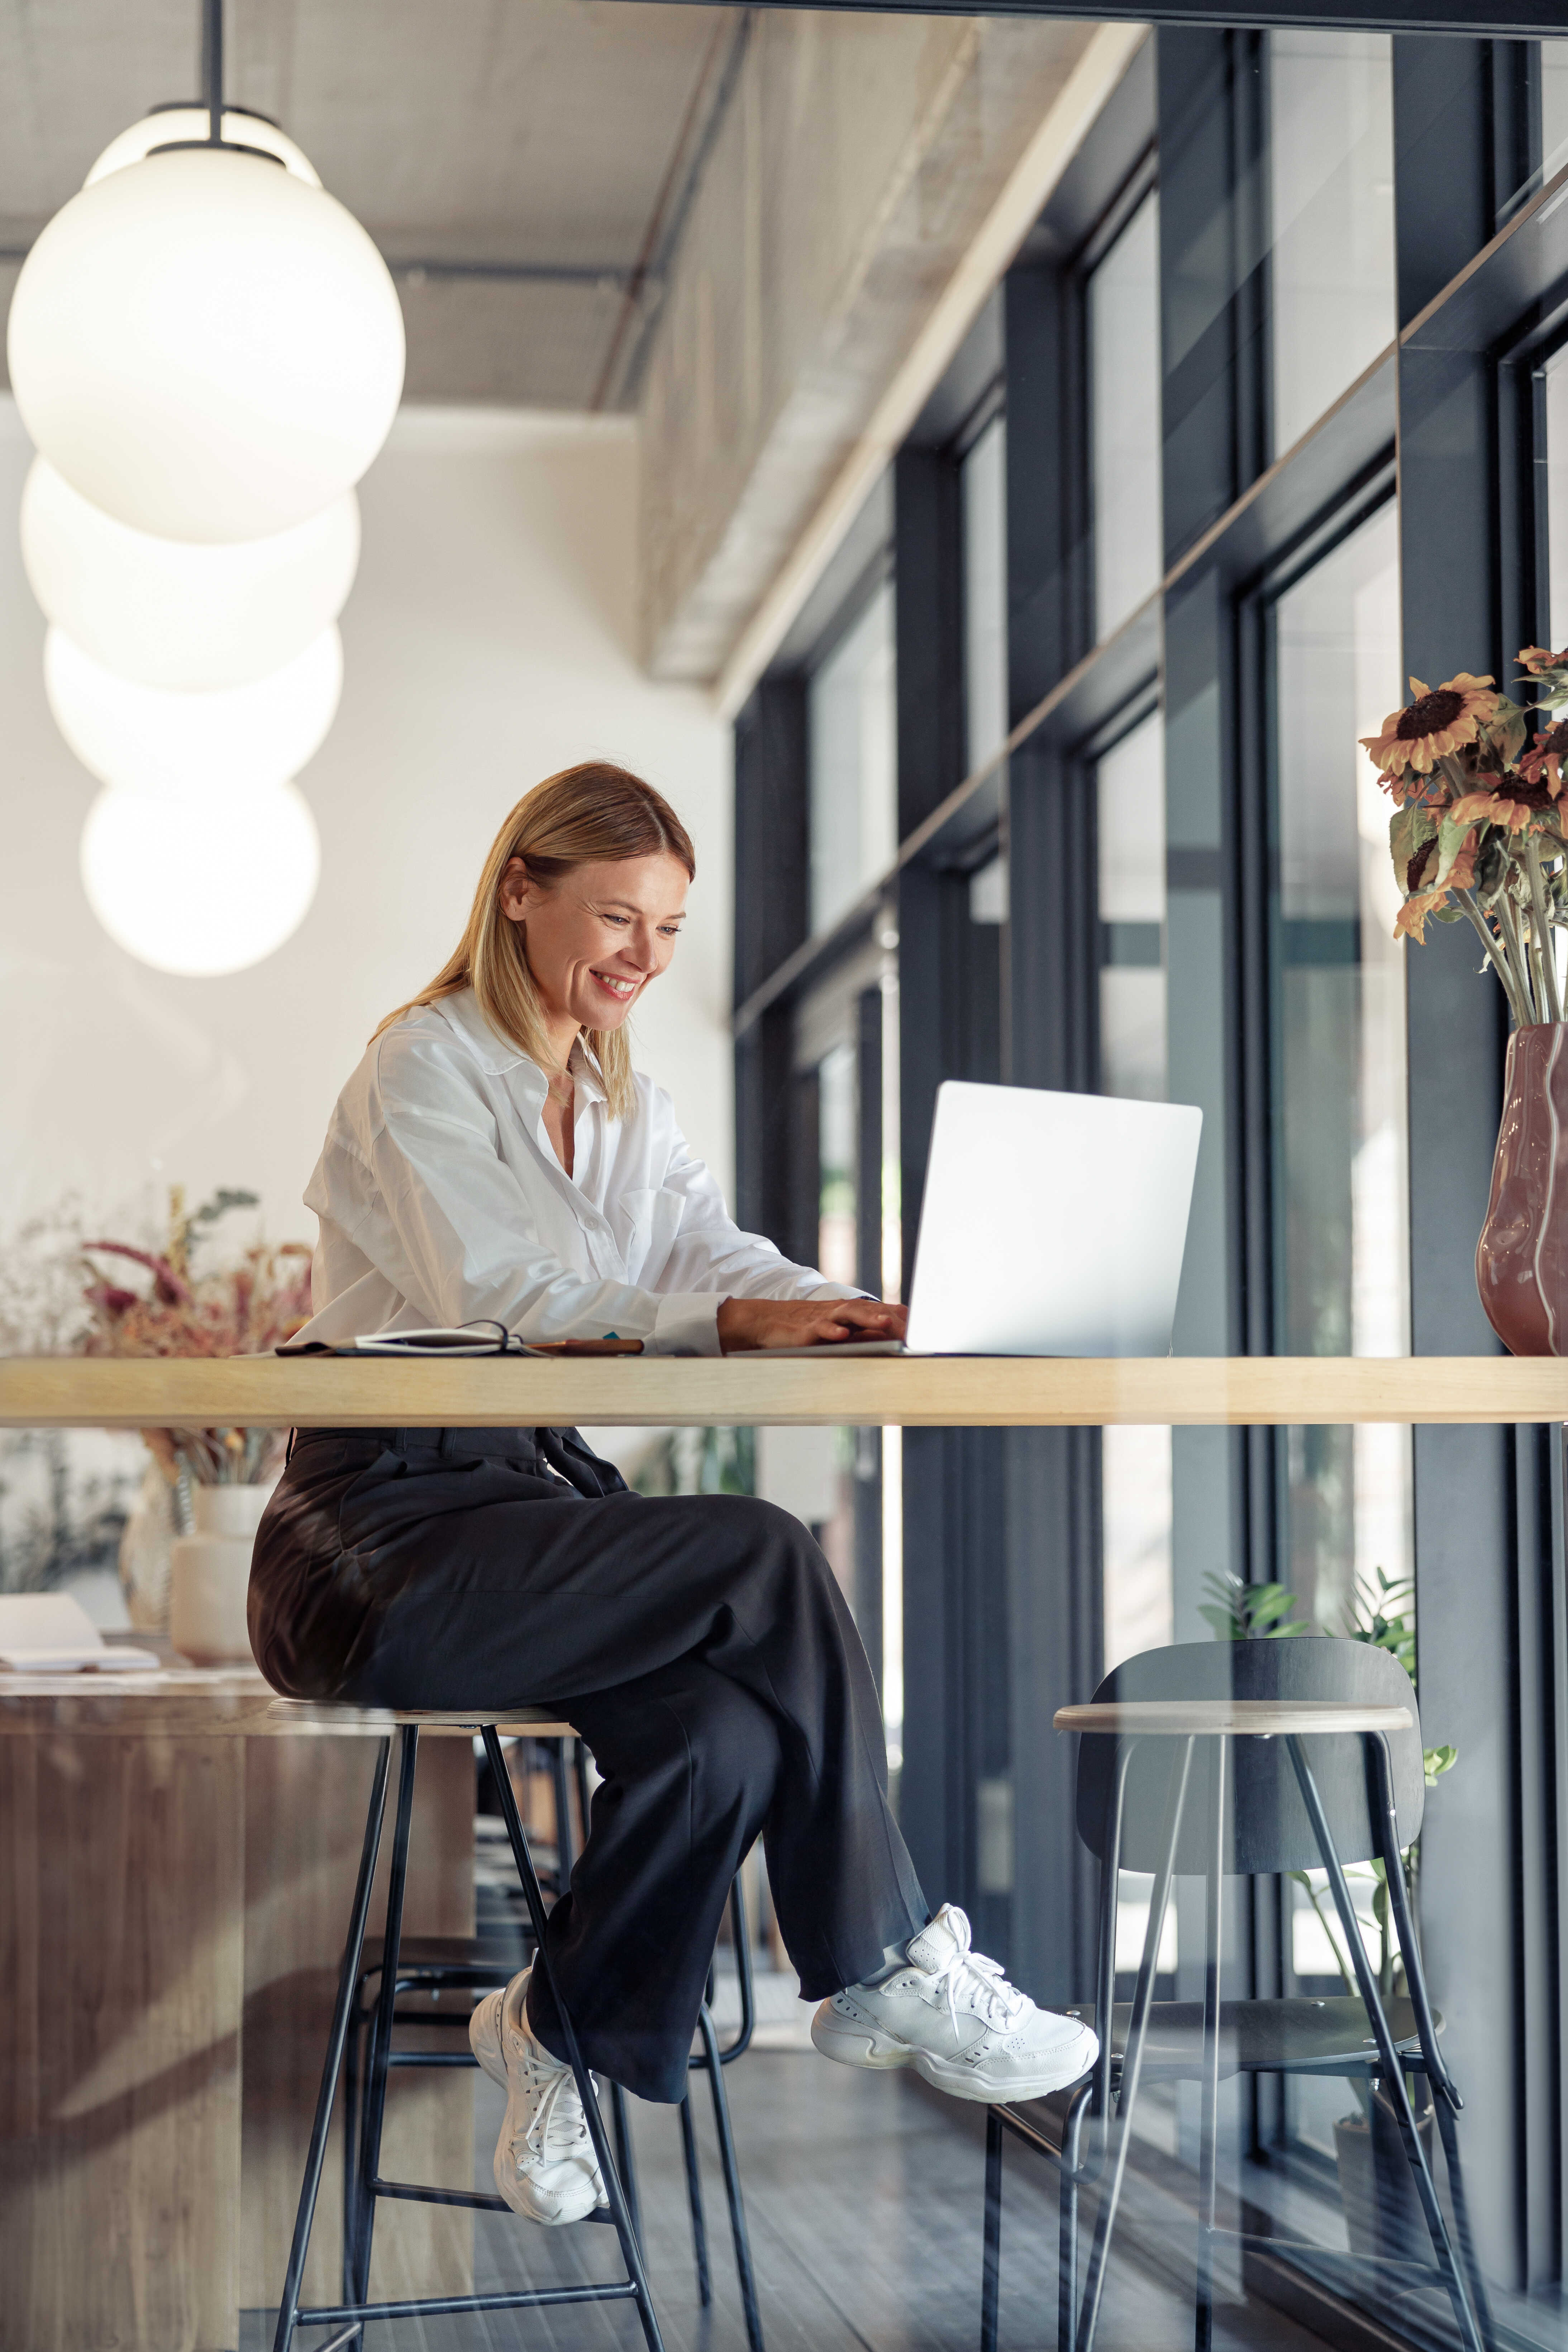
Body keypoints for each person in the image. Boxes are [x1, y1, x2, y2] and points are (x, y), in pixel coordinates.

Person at [251, 760, 1097, 2228]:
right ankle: (885, 1965)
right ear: (521, 891)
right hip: (371, 1544)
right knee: (763, 1552)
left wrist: (855, 1313)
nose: (642, 955)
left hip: (515, 1515)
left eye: (668, 929)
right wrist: (736, 1322)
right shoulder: (422, 1065)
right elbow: (502, 1294)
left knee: (723, 1738)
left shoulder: (622, 1098)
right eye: (617, 917)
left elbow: (717, 1255)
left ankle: (550, 2027)